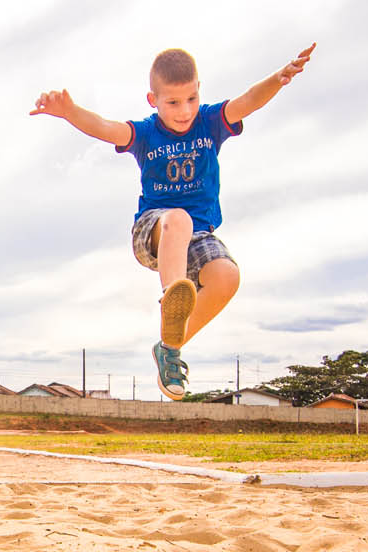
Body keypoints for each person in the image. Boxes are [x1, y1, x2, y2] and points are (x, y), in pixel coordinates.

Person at [31, 44, 315, 398]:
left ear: (199, 90)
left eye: (192, 99)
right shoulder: (146, 134)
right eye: (173, 103)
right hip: (154, 231)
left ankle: (169, 347)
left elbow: (249, 100)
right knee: (177, 219)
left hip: (198, 236)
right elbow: (104, 127)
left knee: (227, 276)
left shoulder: (211, 122)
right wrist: (70, 112)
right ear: (153, 99)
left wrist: (279, 79)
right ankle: (173, 294)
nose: (185, 111)